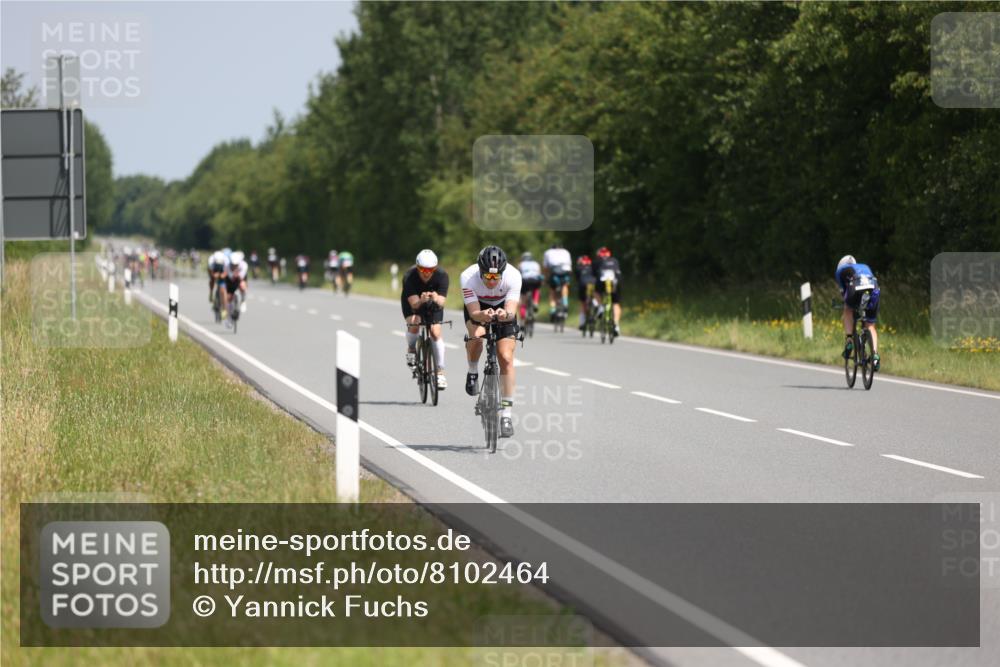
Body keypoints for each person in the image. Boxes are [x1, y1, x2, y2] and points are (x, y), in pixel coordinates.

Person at [461, 245, 521, 438]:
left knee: (505, 357)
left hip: (503, 307)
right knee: (477, 335)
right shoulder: (468, 277)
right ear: (480, 272)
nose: (492, 281)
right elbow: (474, 313)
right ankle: (472, 371)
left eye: (496, 277)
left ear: (502, 273)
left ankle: (507, 415)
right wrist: (483, 315)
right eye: (488, 277)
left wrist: (505, 314)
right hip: (479, 307)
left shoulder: (513, 276)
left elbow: (511, 309)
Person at [401, 249, 450, 389]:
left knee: (435, 332)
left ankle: (440, 372)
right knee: (415, 323)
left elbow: (441, 302)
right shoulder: (409, 277)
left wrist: (435, 298)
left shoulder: (442, 276)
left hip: (433, 304)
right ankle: (411, 349)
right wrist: (421, 300)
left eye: (430, 270)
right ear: (417, 267)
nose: (426, 273)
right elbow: (414, 304)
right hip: (414, 302)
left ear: (435, 269)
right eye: (423, 269)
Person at [835, 255, 881, 371]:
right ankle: (875, 356)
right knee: (870, 325)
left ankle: (849, 339)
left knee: (847, 309)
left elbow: (844, 293)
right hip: (873, 288)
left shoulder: (840, 271)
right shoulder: (864, 266)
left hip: (855, 286)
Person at [594, 247, 622, 337]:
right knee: (616, 304)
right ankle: (616, 325)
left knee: (596, 292)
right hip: (614, 283)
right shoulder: (615, 260)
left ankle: (601, 307)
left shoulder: (597, 261)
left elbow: (593, 274)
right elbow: (618, 273)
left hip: (602, 282)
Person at [542, 242, 572, 320]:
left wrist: (546, 278)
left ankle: (552, 310)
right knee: (565, 285)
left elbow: (545, 267)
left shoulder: (548, 252)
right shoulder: (566, 251)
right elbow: (570, 265)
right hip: (566, 270)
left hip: (555, 271)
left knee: (552, 291)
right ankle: (565, 303)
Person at [222, 250, 249, 327]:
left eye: (236, 265)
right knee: (228, 298)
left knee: (242, 285)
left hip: (240, 278)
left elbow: (241, 277)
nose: (234, 266)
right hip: (230, 280)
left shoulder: (244, 265)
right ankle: (229, 318)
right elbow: (230, 277)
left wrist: (237, 274)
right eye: (232, 265)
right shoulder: (226, 266)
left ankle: (243, 301)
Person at [518, 252, 543, 319]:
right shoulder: (536, 264)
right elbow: (539, 274)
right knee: (536, 289)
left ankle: (523, 318)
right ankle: (535, 302)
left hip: (525, 281)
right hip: (535, 281)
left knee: (523, 300)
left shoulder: (521, 264)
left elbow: (518, 275)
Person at [575, 254, 597, 331]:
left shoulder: (579, 267)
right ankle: (595, 303)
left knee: (582, 303)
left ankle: (582, 322)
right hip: (593, 283)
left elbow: (577, 279)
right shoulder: (593, 267)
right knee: (594, 294)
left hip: (583, 284)